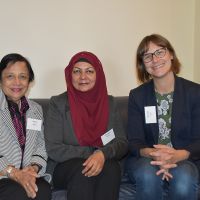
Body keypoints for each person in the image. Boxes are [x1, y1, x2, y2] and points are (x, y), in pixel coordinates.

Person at [45, 51, 128, 200]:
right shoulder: (57, 104)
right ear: (70, 75)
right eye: (77, 71)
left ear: (99, 74)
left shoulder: (109, 103)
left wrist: (103, 154)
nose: (83, 77)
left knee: (111, 168)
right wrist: (92, 153)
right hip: (65, 167)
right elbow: (53, 148)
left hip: (104, 162)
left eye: (89, 71)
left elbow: (121, 142)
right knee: (83, 170)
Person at [125, 34, 200, 200]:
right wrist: (155, 155)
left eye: (160, 52)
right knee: (147, 176)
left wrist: (177, 156)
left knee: (184, 179)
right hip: (148, 160)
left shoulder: (195, 92)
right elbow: (134, 141)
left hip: (185, 158)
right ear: (143, 65)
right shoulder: (137, 96)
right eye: (147, 56)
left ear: (171, 54)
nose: (155, 59)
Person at [0, 53, 51, 200]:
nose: (17, 82)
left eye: (22, 76)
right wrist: (14, 173)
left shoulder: (36, 109)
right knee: (16, 192)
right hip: (3, 175)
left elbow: (41, 146)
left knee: (43, 190)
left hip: (28, 173)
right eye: (10, 76)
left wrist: (33, 168)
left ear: (29, 81)